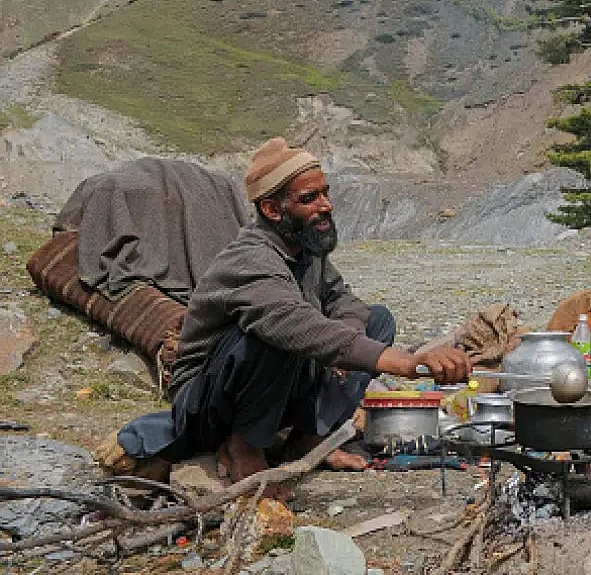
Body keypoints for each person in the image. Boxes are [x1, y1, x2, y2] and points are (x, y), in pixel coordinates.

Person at [115, 138, 471, 496]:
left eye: (325, 194)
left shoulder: (305, 249)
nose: (326, 206)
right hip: (208, 404)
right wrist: (408, 364)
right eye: (309, 198)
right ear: (271, 209)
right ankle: (243, 446)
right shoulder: (251, 258)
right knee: (278, 336)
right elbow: (294, 325)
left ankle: (310, 439)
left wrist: (345, 342)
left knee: (377, 321)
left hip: (279, 387)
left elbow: (343, 300)